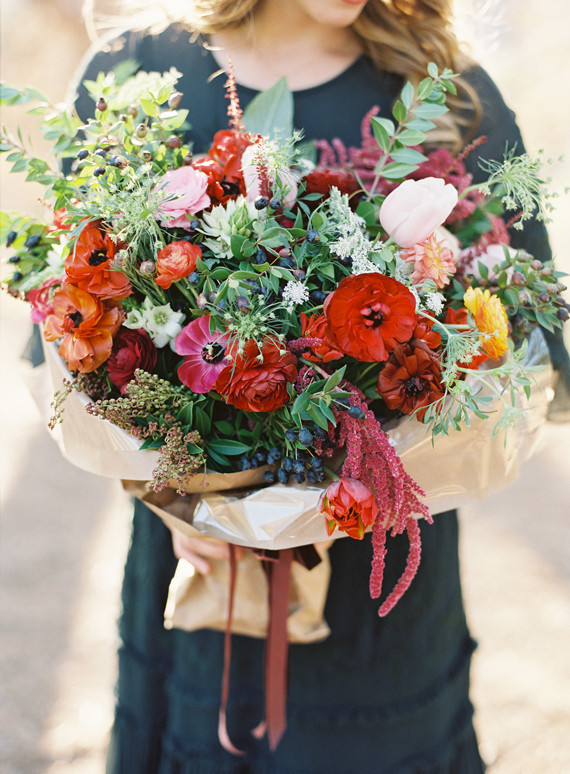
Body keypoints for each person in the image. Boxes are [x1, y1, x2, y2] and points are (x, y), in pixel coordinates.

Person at [60, 1, 567, 772]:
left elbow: (537, 341)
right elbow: (68, 322)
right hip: (198, 565)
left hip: (382, 577)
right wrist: (171, 494)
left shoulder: (451, 93)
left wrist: (409, 448)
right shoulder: (132, 73)